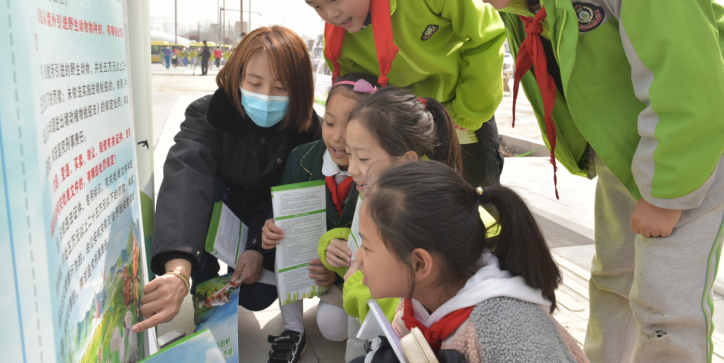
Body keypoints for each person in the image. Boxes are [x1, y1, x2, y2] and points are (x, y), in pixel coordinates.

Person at [417, 0, 724, 362]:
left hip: (702, 137)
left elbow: (687, 79)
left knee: (664, 302)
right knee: (613, 280)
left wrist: (667, 194)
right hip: (632, 141)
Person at [287, 0, 506, 189]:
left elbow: (487, 35)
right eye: (316, 6)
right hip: (407, 130)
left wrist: (466, 112)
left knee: (477, 194)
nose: (330, 14)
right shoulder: (339, 37)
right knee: (416, 208)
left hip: (464, 115)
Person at [132, 26, 321, 334]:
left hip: (263, 223)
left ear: (299, 89)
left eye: (280, 87)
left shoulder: (309, 131)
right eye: (255, 83)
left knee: (257, 296)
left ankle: (241, 268)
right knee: (204, 274)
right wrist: (179, 266)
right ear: (238, 77)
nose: (266, 97)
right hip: (214, 217)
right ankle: (200, 276)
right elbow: (187, 178)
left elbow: (292, 196)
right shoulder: (207, 114)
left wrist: (259, 248)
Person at [351, 161, 587, 363]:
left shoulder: (507, 331)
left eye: (367, 247)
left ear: (420, 264)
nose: (357, 257)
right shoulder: (417, 301)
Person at [319, 87, 477, 361]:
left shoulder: (416, 213)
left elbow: (401, 302)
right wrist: (331, 244)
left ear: (406, 160)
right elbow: (359, 237)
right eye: (350, 154)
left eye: (363, 158)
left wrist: (355, 287)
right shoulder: (374, 187)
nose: (352, 168)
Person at [260, 73, 379, 363]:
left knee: (332, 326)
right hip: (308, 262)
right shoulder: (301, 159)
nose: (337, 137)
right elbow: (286, 218)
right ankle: (292, 329)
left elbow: (373, 250)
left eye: (350, 124)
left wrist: (335, 275)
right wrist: (270, 226)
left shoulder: (377, 171)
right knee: (282, 238)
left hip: (350, 272)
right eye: (329, 122)